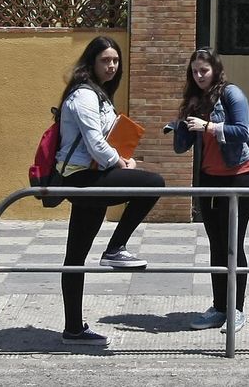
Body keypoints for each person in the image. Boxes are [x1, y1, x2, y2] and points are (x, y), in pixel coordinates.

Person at [55, 35, 164, 347]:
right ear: (92, 61)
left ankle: (73, 329)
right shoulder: (84, 96)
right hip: (81, 179)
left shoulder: (99, 95)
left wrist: (122, 156)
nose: (112, 65)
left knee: (74, 256)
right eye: (106, 60)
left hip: (93, 175)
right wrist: (120, 162)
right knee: (154, 184)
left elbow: (107, 137)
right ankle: (116, 248)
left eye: (116, 60)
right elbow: (95, 142)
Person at [174, 47, 249, 332]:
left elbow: (241, 130)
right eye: (194, 71)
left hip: (239, 177)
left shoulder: (231, 94)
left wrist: (209, 127)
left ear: (215, 69)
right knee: (215, 243)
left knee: (232, 243)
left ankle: (236, 309)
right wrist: (180, 126)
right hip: (209, 179)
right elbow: (184, 145)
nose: (199, 75)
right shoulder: (195, 99)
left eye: (204, 70)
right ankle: (219, 307)